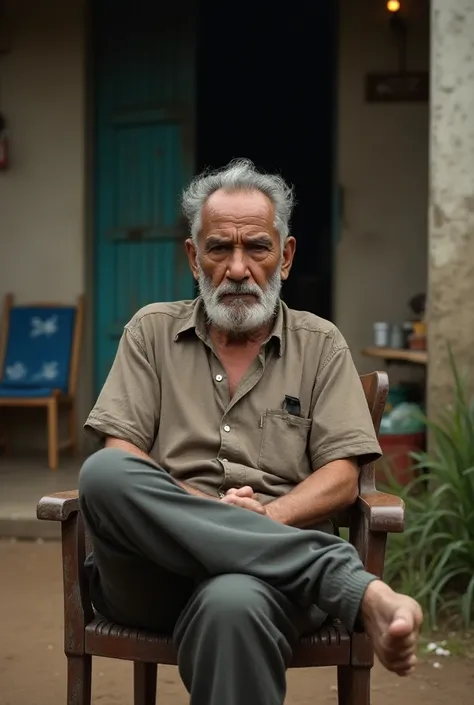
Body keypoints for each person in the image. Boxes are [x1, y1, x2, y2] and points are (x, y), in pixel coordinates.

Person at [79, 158, 422, 705]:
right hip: (153, 575)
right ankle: (346, 582)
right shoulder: (150, 331)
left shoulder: (320, 344)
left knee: (232, 603)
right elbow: (124, 455)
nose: (238, 268)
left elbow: (341, 475)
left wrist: (269, 516)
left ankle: (310, 571)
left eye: (257, 248)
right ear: (195, 257)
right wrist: (218, 514)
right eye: (219, 249)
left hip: (267, 585)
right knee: (103, 471)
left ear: (284, 256)